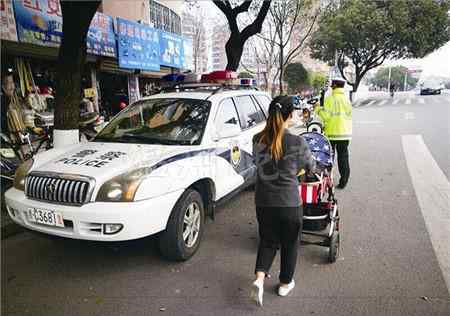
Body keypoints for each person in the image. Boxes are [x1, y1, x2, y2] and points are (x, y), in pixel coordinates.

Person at [251, 96, 315, 306]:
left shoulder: (257, 139)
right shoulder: (297, 141)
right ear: (290, 115)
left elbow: (260, 164)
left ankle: (259, 279)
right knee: (290, 244)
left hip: (264, 203)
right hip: (289, 203)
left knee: (268, 241)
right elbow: (310, 166)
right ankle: (285, 284)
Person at [314, 77, 352, 189]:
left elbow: (326, 116)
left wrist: (317, 109)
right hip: (345, 134)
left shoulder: (330, 99)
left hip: (332, 133)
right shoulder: (346, 99)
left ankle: (327, 180)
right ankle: (344, 181)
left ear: (334, 86)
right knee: (343, 158)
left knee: (328, 157)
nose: (331, 86)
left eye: (332, 84)